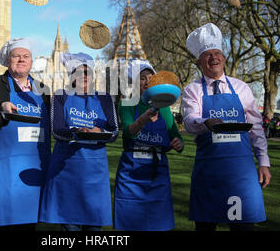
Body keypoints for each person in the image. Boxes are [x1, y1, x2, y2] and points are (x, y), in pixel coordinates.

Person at [182, 23, 271, 231]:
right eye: (207, 54)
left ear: (223, 57)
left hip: (241, 173)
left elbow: (256, 128)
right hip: (208, 174)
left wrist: (264, 162)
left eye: (217, 53)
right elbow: (189, 120)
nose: (213, 57)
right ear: (198, 61)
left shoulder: (241, 87)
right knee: (205, 227)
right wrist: (205, 122)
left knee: (243, 227)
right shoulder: (192, 90)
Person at [0, 38, 51, 230]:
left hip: (35, 170)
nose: (21, 60)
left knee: (29, 224)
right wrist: (0, 107)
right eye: (16, 56)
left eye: (26, 56)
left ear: (32, 62)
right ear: (7, 60)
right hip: (5, 171)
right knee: (4, 222)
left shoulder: (43, 90)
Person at [39, 52, 118, 231]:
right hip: (66, 171)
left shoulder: (105, 98)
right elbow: (57, 131)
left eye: (87, 72)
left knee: (94, 229)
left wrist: (100, 131)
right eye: (79, 72)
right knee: (70, 227)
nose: (84, 76)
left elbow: (114, 132)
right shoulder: (60, 96)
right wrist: (77, 131)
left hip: (95, 174)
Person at [113, 60, 184, 231]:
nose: (146, 82)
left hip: (157, 173)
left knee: (157, 224)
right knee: (129, 225)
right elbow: (129, 132)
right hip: (132, 173)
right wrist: (144, 118)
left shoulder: (165, 108)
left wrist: (178, 144)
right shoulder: (127, 104)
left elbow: (176, 137)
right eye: (142, 78)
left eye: (150, 78)